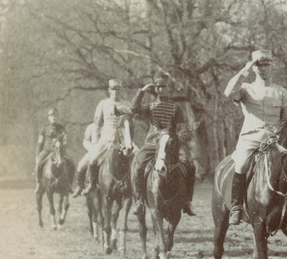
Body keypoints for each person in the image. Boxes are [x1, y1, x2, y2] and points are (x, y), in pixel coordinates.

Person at [222, 49, 287, 225]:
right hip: (251, 138)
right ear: (254, 68)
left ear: (272, 66)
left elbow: (286, 118)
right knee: (241, 164)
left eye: (266, 64)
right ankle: (236, 207)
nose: (263, 68)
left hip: (275, 140)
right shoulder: (246, 89)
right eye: (258, 65)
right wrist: (244, 70)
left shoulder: (281, 91)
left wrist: (279, 135)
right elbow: (228, 92)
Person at [128, 71, 196, 216]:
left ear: (168, 88)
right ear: (155, 89)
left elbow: (181, 126)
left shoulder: (176, 108)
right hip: (152, 144)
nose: (161, 89)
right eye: (158, 87)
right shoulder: (150, 106)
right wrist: (141, 91)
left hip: (171, 145)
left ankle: (187, 202)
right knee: (138, 165)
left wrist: (183, 134)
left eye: (164, 86)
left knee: (190, 165)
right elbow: (133, 109)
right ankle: (139, 201)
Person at [74, 79, 134, 196]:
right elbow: (97, 124)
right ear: (109, 90)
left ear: (121, 90)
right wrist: (95, 142)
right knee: (93, 159)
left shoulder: (127, 104)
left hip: (123, 139)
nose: (115, 91)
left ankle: (138, 191)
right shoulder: (103, 104)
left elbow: (131, 123)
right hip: (107, 139)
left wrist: (129, 139)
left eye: (118, 89)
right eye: (113, 89)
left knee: (137, 157)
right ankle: (91, 184)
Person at [33, 108, 67, 188]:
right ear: (48, 117)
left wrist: (63, 150)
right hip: (47, 151)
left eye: (55, 115)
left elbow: (65, 142)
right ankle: (38, 183)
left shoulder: (62, 129)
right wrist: (38, 154)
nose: (53, 117)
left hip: (59, 151)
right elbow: (40, 143)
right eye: (51, 116)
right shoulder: (44, 128)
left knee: (71, 163)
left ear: (58, 117)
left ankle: (68, 185)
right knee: (38, 162)